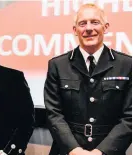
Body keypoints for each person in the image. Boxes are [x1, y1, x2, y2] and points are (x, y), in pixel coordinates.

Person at [44, 3, 132, 155]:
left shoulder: (127, 64)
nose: (89, 28)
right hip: (67, 151)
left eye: (95, 22)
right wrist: (74, 150)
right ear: (75, 30)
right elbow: (54, 114)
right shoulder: (58, 65)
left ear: (106, 27)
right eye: (82, 23)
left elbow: (130, 117)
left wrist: (101, 152)